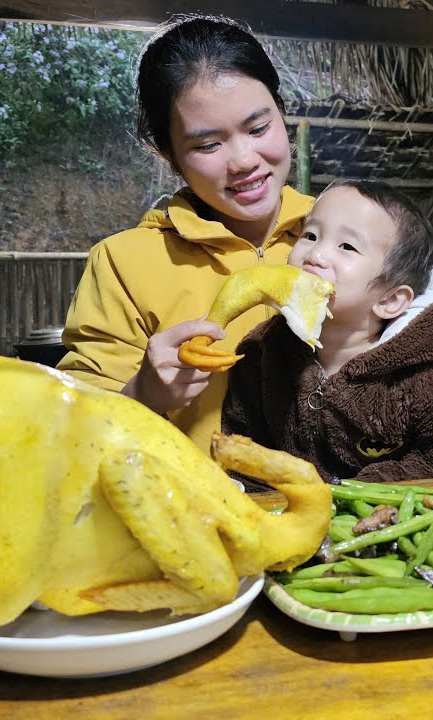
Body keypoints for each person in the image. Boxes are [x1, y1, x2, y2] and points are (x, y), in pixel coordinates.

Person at [57, 16, 314, 453]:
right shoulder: (122, 263)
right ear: (169, 153)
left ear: (282, 112)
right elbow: (73, 437)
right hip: (189, 515)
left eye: (257, 128)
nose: (244, 161)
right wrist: (143, 394)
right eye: (207, 145)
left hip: (347, 511)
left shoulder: (350, 238)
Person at [222, 180, 433, 483]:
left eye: (346, 246)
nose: (314, 255)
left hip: (392, 522)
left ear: (390, 300)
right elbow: (244, 450)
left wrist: (356, 494)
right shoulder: (262, 352)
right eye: (310, 235)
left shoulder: (428, 372)